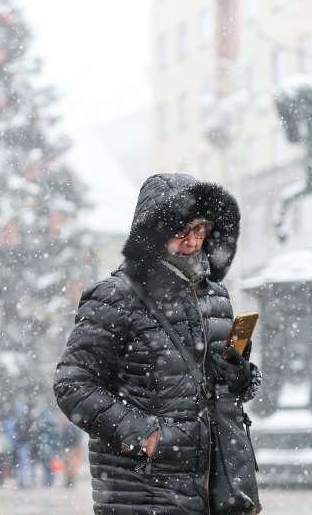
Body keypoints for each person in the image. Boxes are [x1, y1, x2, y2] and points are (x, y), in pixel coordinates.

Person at [55, 173, 261, 514]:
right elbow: (73, 385)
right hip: (143, 488)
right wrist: (147, 437)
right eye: (181, 230)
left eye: (200, 229)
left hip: (216, 487)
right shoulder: (115, 296)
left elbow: (223, 391)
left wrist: (239, 376)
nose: (192, 241)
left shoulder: (217, 298)